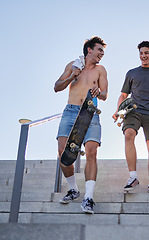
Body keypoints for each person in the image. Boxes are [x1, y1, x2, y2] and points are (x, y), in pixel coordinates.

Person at [54, 36, 108, 213]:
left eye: (103, 51)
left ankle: (89, 198)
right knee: (63, 152)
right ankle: (73, 189)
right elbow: (57, 87)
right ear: (89, 50)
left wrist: (99, 92)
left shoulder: (101, 70)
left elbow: (105, 94)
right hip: (70, 111)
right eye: (99, 49)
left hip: (90, 112)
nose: (102, 53)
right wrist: (71, 76)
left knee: (91, 151)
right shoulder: (73, 65)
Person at [112, 41, 149, 194]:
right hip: (133, 110)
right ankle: (133, 177)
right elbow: (123, 95)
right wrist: (118, 110)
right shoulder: (132, 73)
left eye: (146, 53)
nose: (143, 56)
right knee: (128, 134)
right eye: (141, 53)